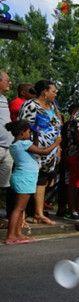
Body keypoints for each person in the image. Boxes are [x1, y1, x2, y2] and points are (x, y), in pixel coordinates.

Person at [4, 121, 60, 244]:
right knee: (18, 209)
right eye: (28, 132)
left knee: (21, 209)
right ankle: (11, 236)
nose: (30, 133)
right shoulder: (24, 144)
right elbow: (43, 151)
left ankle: (17, 233)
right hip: (25, 178)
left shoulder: (17, 144)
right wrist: (56, 143)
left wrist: (34, 135)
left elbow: (33, 147)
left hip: (22, 177)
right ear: (22, 132)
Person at [18, 80, 62, 225]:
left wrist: (58, 148)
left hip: (50, 152)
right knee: (28, 181)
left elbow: (57, 127)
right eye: (53, 91)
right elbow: (23, 127)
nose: (56, 94)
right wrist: (31, 147)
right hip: (34, 150)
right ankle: (21, 217)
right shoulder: (31, 105)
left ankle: (38, 213)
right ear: (44, 91)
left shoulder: (53, 106)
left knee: (42, 181)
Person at [0, 71, 13, 226]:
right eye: (7, 80)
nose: (9, 83)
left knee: (3, 185)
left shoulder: (4, 99)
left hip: (7, 147)